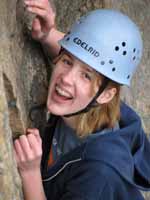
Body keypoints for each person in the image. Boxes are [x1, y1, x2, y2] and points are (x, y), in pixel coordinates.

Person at [14, 1, 150, 200]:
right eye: (67, 61)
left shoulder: (99, 173)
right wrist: (48, 34)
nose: (66, 79)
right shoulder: (97, 104)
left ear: (106, 95)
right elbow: (83, 59)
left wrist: (30, 173)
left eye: (86, 76)